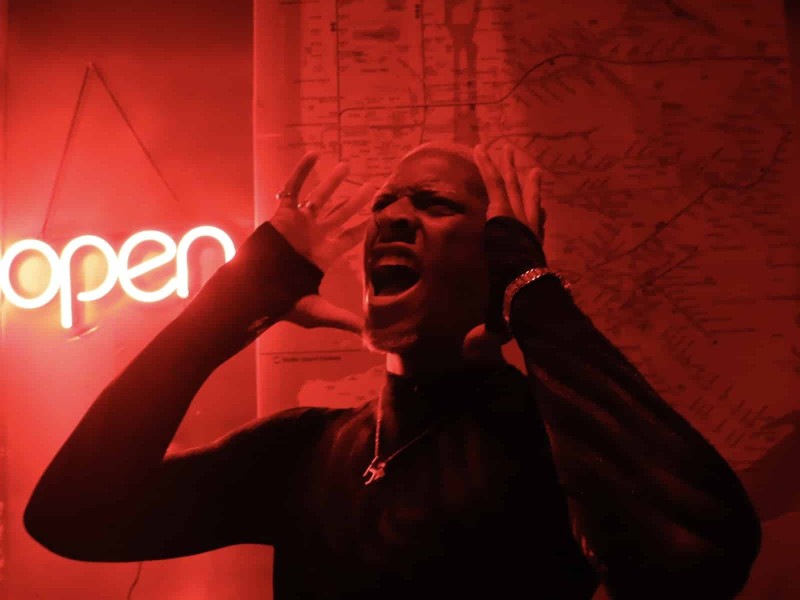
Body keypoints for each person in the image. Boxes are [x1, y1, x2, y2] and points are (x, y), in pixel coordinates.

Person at [24, 142, 761, 599]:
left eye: (435, 205)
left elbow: (700, 552)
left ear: (494, 258)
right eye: (385, 203)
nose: (394, 216)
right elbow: (74, 514)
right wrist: (238, 299)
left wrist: (531, 293)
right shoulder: (305, 450)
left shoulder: (550, 444)